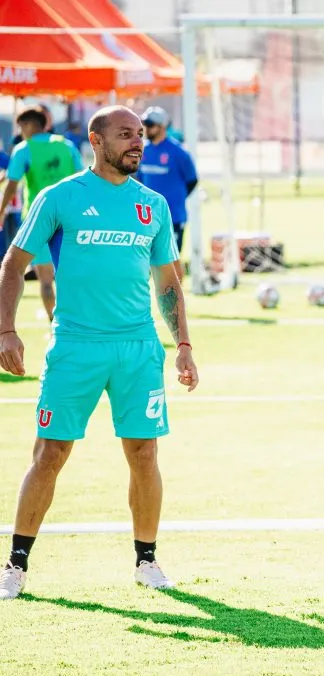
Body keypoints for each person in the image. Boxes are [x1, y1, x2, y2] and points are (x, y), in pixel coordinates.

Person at [0, 105, 199, 600]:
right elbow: (12, 264)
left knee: (144, 453)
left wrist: (185, 347)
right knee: (51, 453)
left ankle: (147, 561)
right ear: (95, 139)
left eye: (140, 135)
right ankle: (16, 565)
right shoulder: (60, 197)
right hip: (75, 347)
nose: (137, 142)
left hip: (138, 349)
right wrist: (6, 330)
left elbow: (168, 284)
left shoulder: (152, 204)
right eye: (125, 134)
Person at [0, 107, 84, 324]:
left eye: (21, 127)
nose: (21, 132)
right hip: (70, 218)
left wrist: (0, 214)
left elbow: (11, 186)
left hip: (38, 220)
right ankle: (77, 322)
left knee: (46, 280)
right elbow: (83, 180)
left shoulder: (23, 149)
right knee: (72, 277)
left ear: (29, 125)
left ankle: (54, 325)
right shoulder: (66, 145)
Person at [137, 106, 199, 256]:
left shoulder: (179, 152)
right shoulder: (142, 150)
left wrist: (176, 198)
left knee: (171, 261)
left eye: (150, 125)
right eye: (144, 125)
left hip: (173, 216)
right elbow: (139, 179)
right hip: (147, 218)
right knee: (147, 261)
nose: (146, 129)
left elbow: (192, 180)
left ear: (162, 127)